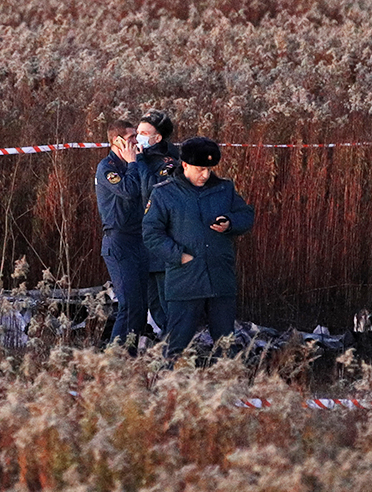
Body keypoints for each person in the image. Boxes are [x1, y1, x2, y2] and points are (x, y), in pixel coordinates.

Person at [142, 137, 254, 361]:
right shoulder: (164, 193)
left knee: (227, 345)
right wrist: (179, 256)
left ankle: (229, 389)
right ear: (185, 165)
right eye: (200, 169)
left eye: (209, 169)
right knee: (176, 343)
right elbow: (151, 234)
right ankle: (168, 388)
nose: (205, 174)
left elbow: (246, 215)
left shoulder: (224, 189)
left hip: (220, 278)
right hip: (185, 280)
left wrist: (230, 223)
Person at [95, 120, 148, 352]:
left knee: (140, 306)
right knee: (127, 305)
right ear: (117, 141)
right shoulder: (107, 167)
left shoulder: (135, 163)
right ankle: (114, 358)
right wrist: (133, 164)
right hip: (118, 241)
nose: (136, 141)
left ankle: (130, 355)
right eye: (131, 138)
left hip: (139, 239)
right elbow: (129, 190)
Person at [135, 110, 180, 336]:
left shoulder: (169, 163)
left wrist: (140, 162)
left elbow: (150, 193)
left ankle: (176, 346)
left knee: (166, 301)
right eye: (138, 132)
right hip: (142, 241)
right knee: (152, 301)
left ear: (158, 138)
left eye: (144, 133)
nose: (138, 137)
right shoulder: (138, 157)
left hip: (162, 241)